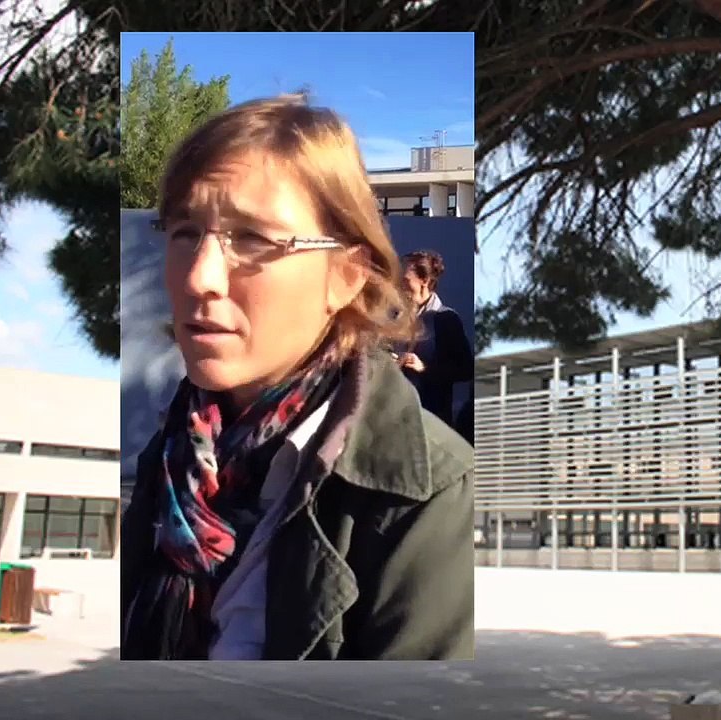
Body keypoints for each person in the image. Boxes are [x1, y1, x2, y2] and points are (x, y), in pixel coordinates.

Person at [120, 95, 474, 661]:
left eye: (254, 239)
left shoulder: (430, 496)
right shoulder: (170, 455)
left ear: (347, 278)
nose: (199, 277)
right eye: (185, 231)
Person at [396, 250, 473, 427]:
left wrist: (424, 368)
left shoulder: (445, 319)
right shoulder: (398, 316)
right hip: (398, 417)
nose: (400, 286)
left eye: (406, 280)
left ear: (425, 281)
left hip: (430, 421)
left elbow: (466, 369)